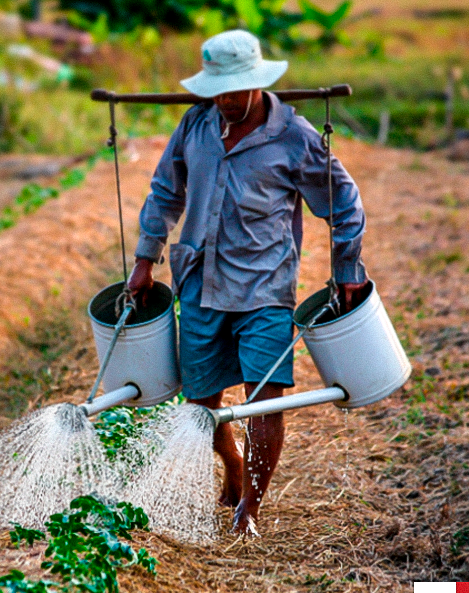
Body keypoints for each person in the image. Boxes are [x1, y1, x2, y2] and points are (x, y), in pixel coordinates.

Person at [126, 30, 368, 536]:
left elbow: (343, 203)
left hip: (265, 287)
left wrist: (346, 269)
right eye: (218, 91)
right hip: (198, 283)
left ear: (257, 85)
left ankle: (248, 512)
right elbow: (165, 192)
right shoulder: (195, 125)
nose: (226, 101)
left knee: (266, 398)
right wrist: (145, 259)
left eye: (235, 91)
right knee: (201, 405)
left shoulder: (294, 138)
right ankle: (232, 464)